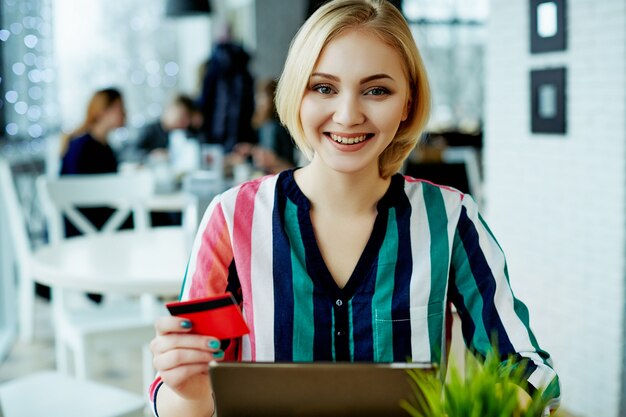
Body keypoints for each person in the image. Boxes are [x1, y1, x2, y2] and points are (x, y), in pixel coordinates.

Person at [149, 1, 561, 416]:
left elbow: (528, 371)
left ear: (406, 103)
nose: (347, 115)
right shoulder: (231, 216)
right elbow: (178, 406)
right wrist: (190, 390)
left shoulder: (451, 218)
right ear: (296, 95)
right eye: (323, 88)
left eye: (377, 90)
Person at [196, 25, 255, 152]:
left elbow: (205, 100)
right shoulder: (242, 65)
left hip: (220, 133)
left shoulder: (212, 66)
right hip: (239, 132)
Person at [135, 94, 196, 159]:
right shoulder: (149, 130)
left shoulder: (184, 133)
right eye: (182, 116)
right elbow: (132, 152)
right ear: (170, 109)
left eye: (187, 118)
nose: (186, 122)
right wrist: (150, 155)